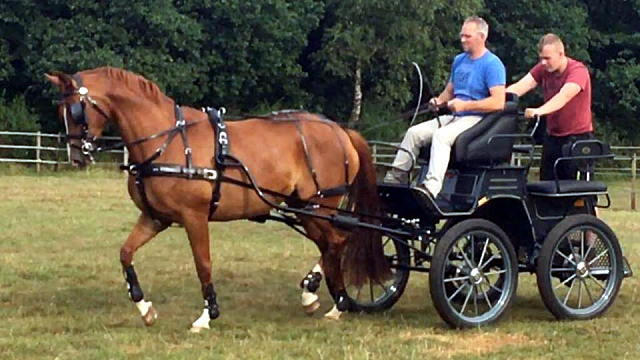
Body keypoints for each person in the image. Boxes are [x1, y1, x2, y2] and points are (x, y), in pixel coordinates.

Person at [384, 16, 506, 198]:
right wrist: (439, 101)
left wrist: (465, 105)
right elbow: (450, 91)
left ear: (481, 37)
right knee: (413, 133)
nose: (462, 39)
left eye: (467, 36)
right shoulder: (459, 60)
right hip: (455, 115)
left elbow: (498, 102)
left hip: (477, 118)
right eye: (462, 35)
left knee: (441, 136)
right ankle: (395, 180)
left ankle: (430, 188)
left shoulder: (492, 65)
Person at [506, 33, 594, 181]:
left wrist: (539, 111)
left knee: (575, 191)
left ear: (561, 54)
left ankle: (591, 204)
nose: (543, 63)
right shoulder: (543, 69)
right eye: (541, 58)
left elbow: (563, 97)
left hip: (577, 139)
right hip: (553, 137)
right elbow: (523, 85)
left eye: (547, 58)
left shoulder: (578, 71)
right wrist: (496, 99)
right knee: (547, 185)